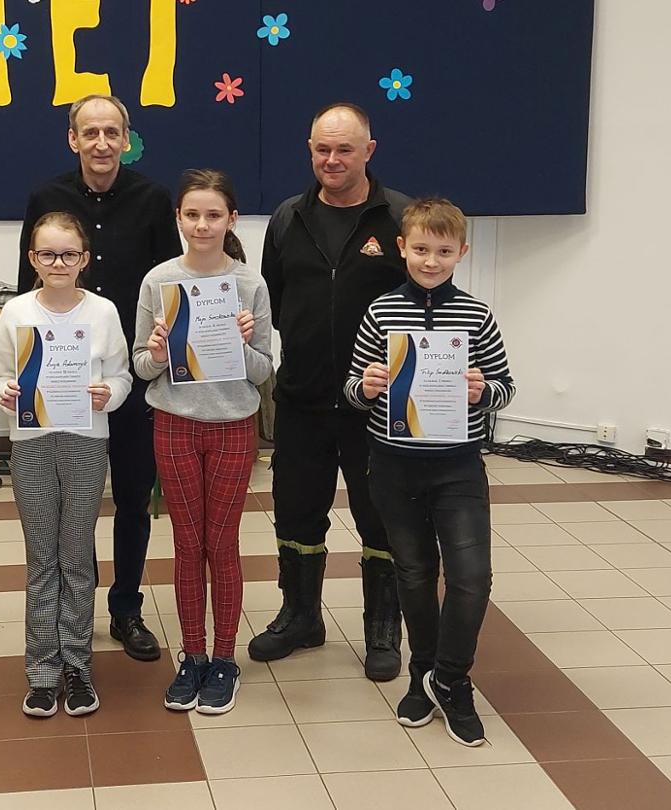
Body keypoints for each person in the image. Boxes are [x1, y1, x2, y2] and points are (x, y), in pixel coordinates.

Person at [251, 102, 413, 681]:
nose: (332, 159)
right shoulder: (287, 218)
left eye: (345, 149)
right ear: (310, 150)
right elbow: (273, 300)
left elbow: (423, 303)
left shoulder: (400, 217)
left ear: (369, 151)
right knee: (296, 513)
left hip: (379, 407)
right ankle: (301, 618)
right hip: (301, 398)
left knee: (382, 517)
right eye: (322, 148)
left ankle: (382, 630)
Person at [17, 94, 181, 662]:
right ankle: (76, 611)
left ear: (126, 139)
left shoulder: (154, 199)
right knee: (74, 504)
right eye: (90, 132)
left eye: (112, 132)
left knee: (133, 498)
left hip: (131, 376)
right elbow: (28, 290)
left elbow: (170, 291)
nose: (102, 143)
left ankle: (127, 609)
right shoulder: (46, 199)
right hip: (64, 385)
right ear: (73, 139)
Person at [347, 198, 515, 747]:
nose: (430, 260)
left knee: (471, 578)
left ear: (461, 253)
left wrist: (483, 391)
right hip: (393, 467)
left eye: (443, 251)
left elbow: (506, 387)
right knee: (414, 573)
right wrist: (367, 386)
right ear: (402, 248)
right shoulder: (381, 313)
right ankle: (422, 671)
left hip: (457, 468)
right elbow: (352, 388)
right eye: (420, 249)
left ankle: (452, 678)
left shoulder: (477, 316)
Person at [132, 169, 273, 716]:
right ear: (178, 218)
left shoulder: (250, 285)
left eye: (214, 215)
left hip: (233, 424)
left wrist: (241, 343)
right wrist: (159, 351)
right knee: (188, 544)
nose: (202, 225)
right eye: (192, 214)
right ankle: (192, 656)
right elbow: (142, 367)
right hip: (175, 423)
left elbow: (263, 371)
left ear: (231, 220)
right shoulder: (158, 282)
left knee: (223, 543)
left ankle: (224, 658)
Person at [0, 212, 132, 718]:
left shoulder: (103, 312)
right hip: (31, 443)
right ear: (33, 259)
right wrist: (4, 393)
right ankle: (43, 671)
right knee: (41, 559)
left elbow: (122, 377)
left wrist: (108, 393)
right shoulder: (16, 313)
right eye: (47, 254)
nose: (58, 263)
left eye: (69, 254)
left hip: (85, 441)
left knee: (76, 557)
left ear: (84, 259)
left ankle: (77, 666)